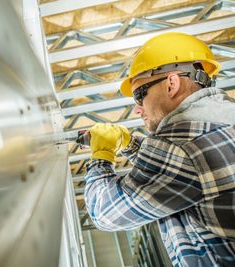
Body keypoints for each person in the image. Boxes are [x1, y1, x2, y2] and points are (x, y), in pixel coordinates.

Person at [84, 32, 235, 266]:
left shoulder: (180, 144)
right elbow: (189, 174)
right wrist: (131, 145)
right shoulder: (221, 123)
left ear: (172, 84)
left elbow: (105, 213)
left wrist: (101, 156)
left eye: (139, 95)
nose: (137, 109)